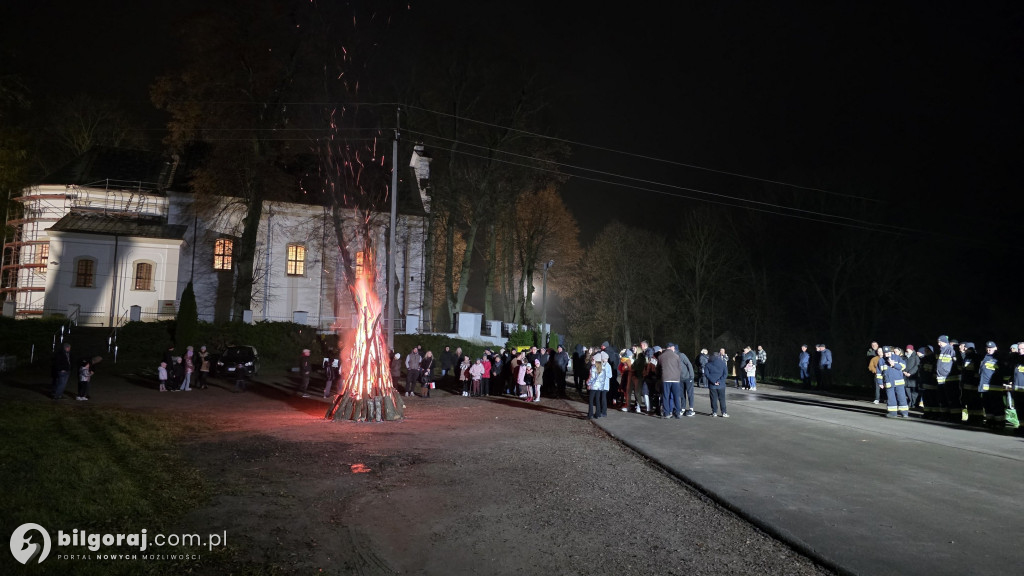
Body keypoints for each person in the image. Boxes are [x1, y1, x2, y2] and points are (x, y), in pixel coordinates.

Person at [978, 341, 1005, 429]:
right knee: (987, 405)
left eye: (991, 348)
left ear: (995, 348)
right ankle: (990, 421)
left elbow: (1004, 372)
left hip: (995, 387)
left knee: (997, 405)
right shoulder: (985, 358)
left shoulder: (999, 358)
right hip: (985, 387)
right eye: (987, 348)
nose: (989, 350)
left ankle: (1000, 422)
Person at [935, 335, 960, 422]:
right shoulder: (941, 350)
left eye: (940, 342)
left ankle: (955, 417)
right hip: (941, 378)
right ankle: (945, 415)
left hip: (949, 378)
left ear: (945, 341)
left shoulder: (951, 350)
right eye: (938, 342)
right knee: (943, 398)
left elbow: (956, 362)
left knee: (951, 399)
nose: (939, 344)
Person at [879, 346, 909, 418]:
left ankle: (904, 412)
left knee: (901, 397)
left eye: (888, 353)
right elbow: (879, 373)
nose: (887, 355)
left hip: (899, 382)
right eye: (885, 353)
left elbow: (903, 366)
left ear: (891, 352)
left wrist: (894, 365)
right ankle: (892, 413)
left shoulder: (897, 357)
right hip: (889, 383)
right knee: (891, 398)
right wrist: (880, 382)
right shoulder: (881, 360)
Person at [657, 343, 683, 418]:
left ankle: (666, 413)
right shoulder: (676, 356)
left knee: (666, 396)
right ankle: (678, 412)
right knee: (676, 396)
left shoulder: (661, 356)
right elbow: (680, 368)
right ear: (671, 348)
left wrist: (660, 376)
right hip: (676, 379)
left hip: (665, 379)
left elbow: (658, 369)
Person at [586, 354, 611, 419]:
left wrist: (588, 383)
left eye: (593, 359)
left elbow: (592, 378)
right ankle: (598, 413)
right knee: (597, 399)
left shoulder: (594, 368)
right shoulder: (602, 367)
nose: (592, 361)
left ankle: (590, 414)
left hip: (593, 386)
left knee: (591, 400)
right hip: (600, 387)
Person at [706, 349, 729, 417]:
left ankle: (714, 412)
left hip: (712, 385)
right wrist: (719, 381)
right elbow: (725, 374)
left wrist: (713, 381)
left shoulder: (708, 364)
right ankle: (724, 412)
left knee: (713, 399)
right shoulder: (722, 363)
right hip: (721, 385)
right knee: (722, 399)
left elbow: (707, 374)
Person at [676, 345, 697, 416]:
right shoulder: (673, 357)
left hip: (688, 378)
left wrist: (691, 376)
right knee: (682, 394)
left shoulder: (682, 355)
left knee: (690, 393)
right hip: (680, 379)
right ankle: (683, 408)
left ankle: (691, 408)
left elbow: (689, 364)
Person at [902, 345, 920, 410]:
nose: (907, 350)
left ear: (912, 350)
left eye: (908, 349)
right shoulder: (904, 357)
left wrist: (910, 373)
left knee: (914, 392)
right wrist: (904, 371)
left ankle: (914, 404)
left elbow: (917, 366)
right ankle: (910, 403)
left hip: (913, 377)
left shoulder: (915, 357)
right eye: (907, 349)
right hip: (905, 377)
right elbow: (902, 365)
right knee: (907, 391)